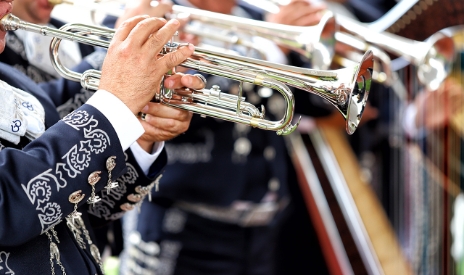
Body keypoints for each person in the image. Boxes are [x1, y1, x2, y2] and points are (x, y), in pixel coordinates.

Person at [111, 1, 341, 275]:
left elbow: (312, 104)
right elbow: (176, 109)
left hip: (261, 228)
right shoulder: (157, 18)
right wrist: (270, 50)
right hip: (183, 226)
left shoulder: (258, 17)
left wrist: (325, 58)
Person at [0, 0, 207, 272]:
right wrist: (113, 106)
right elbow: (11, 204)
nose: (9, 3)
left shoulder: (12, 81)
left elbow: (78, 206)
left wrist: (143, 133)